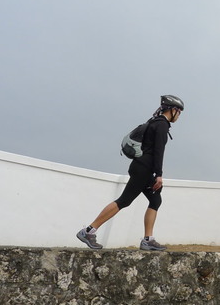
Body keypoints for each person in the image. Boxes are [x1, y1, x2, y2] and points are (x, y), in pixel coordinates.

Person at [76, 95, 184, 251]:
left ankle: (148, 240)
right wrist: (159, 175)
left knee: (155, 200)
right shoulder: (162, 125)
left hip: (141, 167)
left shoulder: (153, 122)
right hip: (144, 169)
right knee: (124, 201)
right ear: (173, 110)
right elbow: (158, 151)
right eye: (179, 112)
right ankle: (88, 231)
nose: (179, 115)